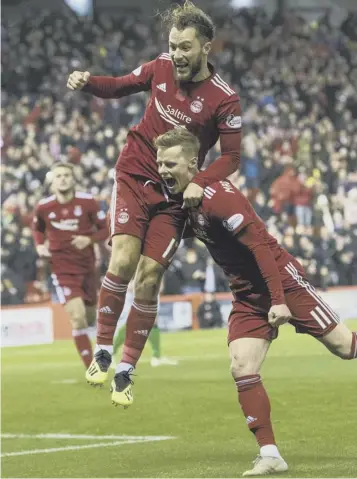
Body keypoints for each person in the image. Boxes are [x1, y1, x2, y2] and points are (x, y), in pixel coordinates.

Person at [67, 0, 242, 407]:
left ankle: (127, 369)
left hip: (175, 196)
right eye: (172, 45)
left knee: (148, 276)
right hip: (133, 174)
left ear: (206, 47)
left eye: (185, 47)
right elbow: (121, 84)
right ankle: (104, 348)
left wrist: (199, 181)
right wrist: (88, 80)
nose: (177, 54)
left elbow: (231, 157)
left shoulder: (224, 99)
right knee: (123, 260)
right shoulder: (160, 67)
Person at [155, 127, 357, 477]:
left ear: (192, 163)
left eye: (169, 163)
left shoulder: (220, 197)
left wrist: (279, 301)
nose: (162, 170)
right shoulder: (181, 198)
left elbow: (261, 247)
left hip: (281, 282)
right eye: (159, 163)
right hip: (246, 295)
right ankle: (270, 454)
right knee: (242, 366)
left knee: (345, 346)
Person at [32, 163, 109, 369]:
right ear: (52, 181)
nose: (63, 179)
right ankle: (92, 367)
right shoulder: (44, 207)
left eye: (67, 175)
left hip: (87, 266)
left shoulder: (88, 202)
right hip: (61, 268)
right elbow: (37, 229)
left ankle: (100, 351)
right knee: (78, 317)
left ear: (73, 178)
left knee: (91, 317)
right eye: (59, 176)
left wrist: (90, 240)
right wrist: (40, 246)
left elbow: (105, 229)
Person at [112, 282, 178, 367]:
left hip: (151, 290)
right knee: (131, 322)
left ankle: (156, 357)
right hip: (137, 291)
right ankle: (109, 355)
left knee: (153, 321)